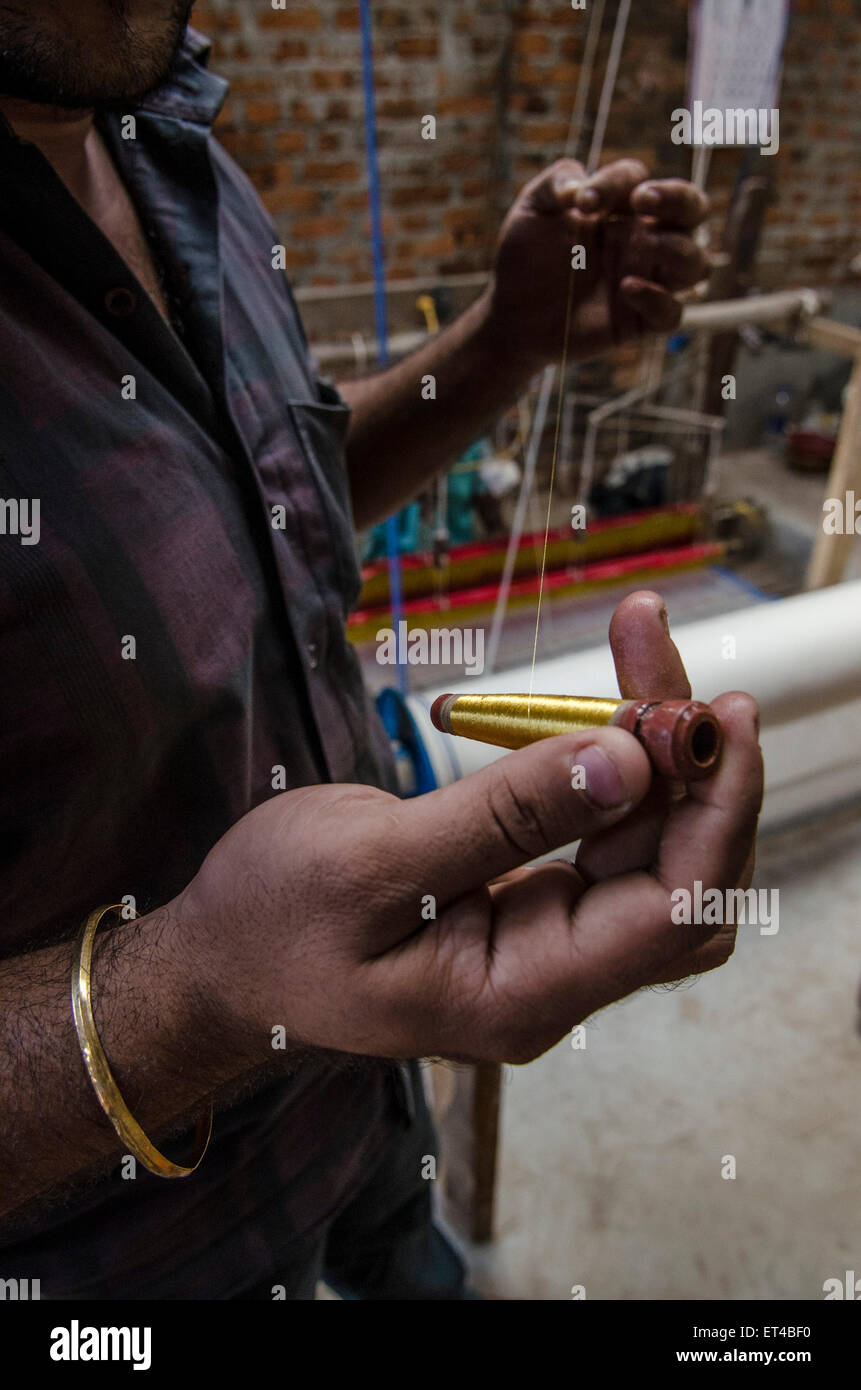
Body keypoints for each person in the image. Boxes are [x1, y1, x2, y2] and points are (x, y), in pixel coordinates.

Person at [0, 2, 762, 1299]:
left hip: (360, 1119)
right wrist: (197, 993)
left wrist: (498, 348)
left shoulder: (173, 148)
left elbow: (265, 497)